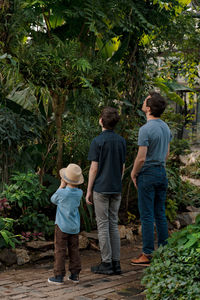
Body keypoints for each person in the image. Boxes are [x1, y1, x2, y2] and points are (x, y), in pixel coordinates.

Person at [130, 91, 172, 265]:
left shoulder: (145, 129)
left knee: (147, 215)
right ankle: (164, 251)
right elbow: (167, 153)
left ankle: (147, 253)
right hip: (162, 171)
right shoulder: (166, 127)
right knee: (160, 213)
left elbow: (141, 157)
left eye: (145, 100)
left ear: (148, 108)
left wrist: (133, 173)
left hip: (147, 174)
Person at [86, 107, 126, 275]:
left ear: (101, 121)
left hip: (101, 188)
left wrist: (88, 190)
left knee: (102, 225)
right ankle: (116, 263)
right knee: (113, 224)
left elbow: (93, 169)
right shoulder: (121, 141)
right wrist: (117, 181)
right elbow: (122, 167)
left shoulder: (97, 141)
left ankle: (106, 263)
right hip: (116, 188)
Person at [48, 163, 84, 284]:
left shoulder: (62, 193)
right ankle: (75, 275)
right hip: (74, 227)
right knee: (74, 249)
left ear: (65, 179)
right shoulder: (79, 193)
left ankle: (58, 276)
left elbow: (53, 199)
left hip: (62, 226)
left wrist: (61, 186)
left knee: (60, 250)